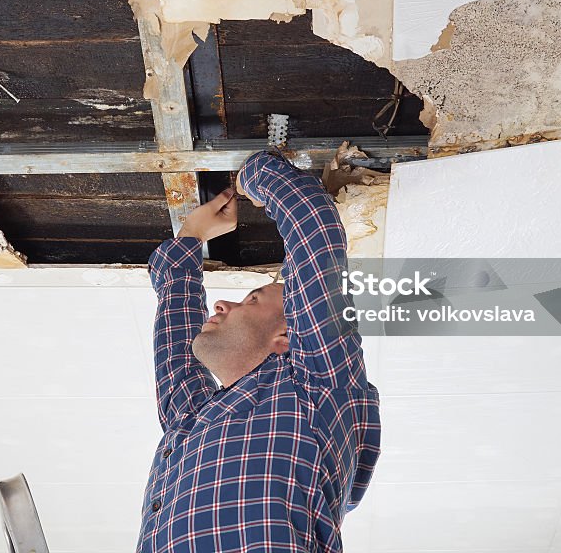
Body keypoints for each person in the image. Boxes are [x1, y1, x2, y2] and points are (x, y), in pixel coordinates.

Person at [137, 149, 381, 552]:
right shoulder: (313, 384)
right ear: (288, 336)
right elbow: (313, 235)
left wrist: (190, 239)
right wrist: (253, 174)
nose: (220, 305)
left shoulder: (189, 419)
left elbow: (177, 351)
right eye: (252, 298)